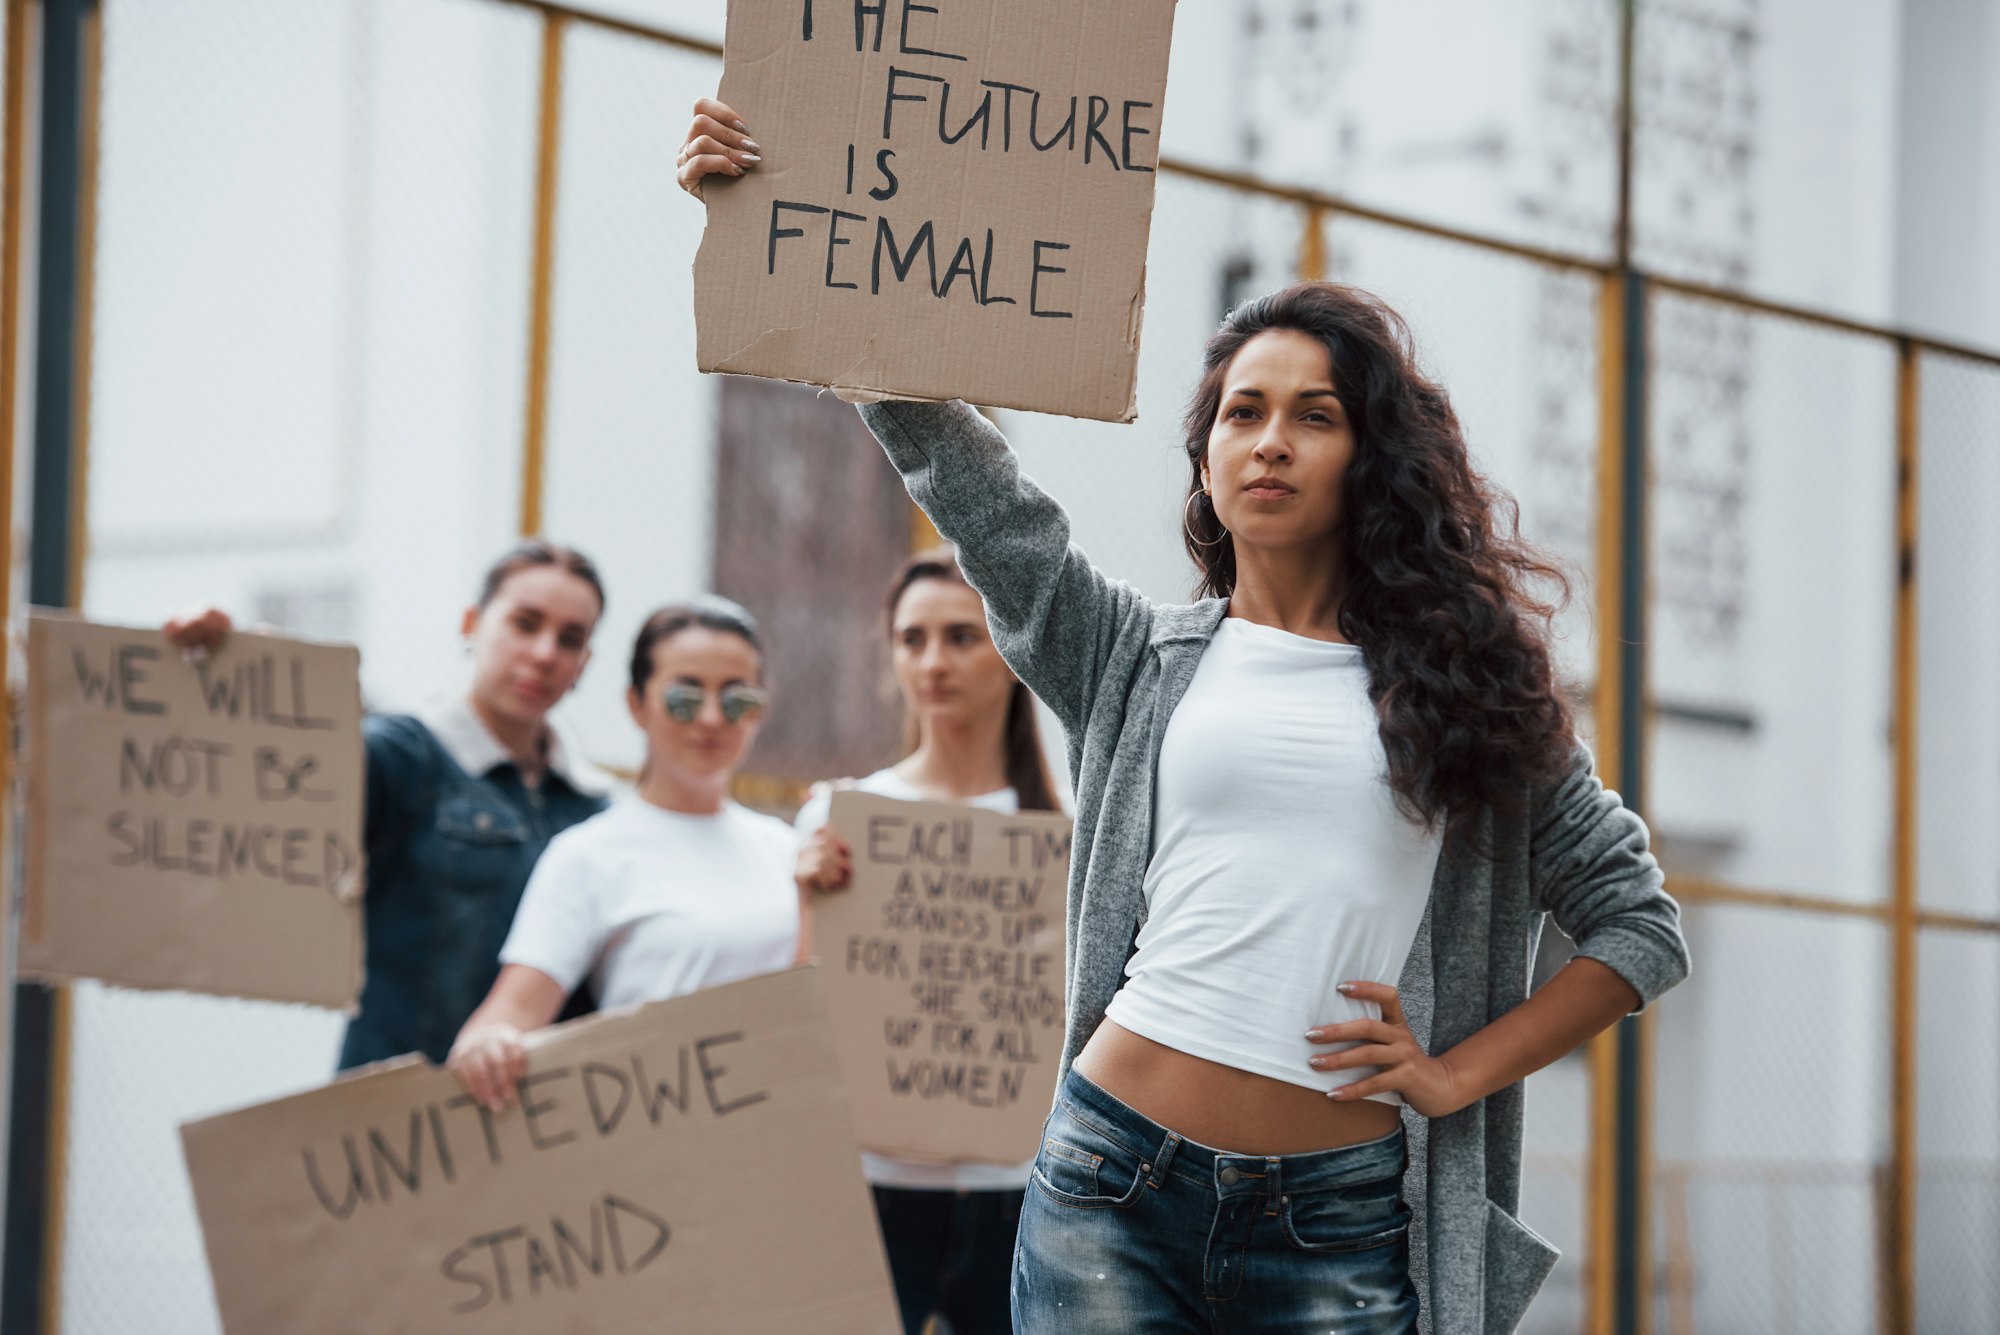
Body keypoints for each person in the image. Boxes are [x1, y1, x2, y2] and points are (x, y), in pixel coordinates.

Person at [680, 105, 1691, 1335]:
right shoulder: (1129, 656)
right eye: (1240, 413)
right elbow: (983, 499)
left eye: (1313, 415)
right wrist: (786, 223)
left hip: (1343, 1216)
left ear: (1373, 458)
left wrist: (1450, 1074)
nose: (1268, 442)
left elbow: (1635, 924)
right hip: (1109, 1179)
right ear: (1204, 458)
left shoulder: (1470, 692)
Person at [164, 540, 611, 1069]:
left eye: (569, 639)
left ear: (584, 663)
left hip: (538, 1120)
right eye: (525, 623)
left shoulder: (595, 808)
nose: (543, 653)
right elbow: (264, 802)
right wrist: (223, 668)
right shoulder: (398, 756)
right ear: (472, 623)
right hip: (396, 1116)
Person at [794, 546, 1062, 1335]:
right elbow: (807, 1010)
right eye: (912, 639)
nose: (933, 661)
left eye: (960, 636)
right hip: (873, 1178)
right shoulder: (844, 818)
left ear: (1011, 649)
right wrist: (808, 899)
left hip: (1019, 1183)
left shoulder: (1068, 829)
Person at [448, 597, 806, 1111]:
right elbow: (511, 1011)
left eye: (736, 700)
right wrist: (488, 1046)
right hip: (662, 1149)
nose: (710, 718)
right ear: (636, 704)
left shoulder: (789, 852)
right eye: (684, 697)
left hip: (793, 1141)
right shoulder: (589, 856)